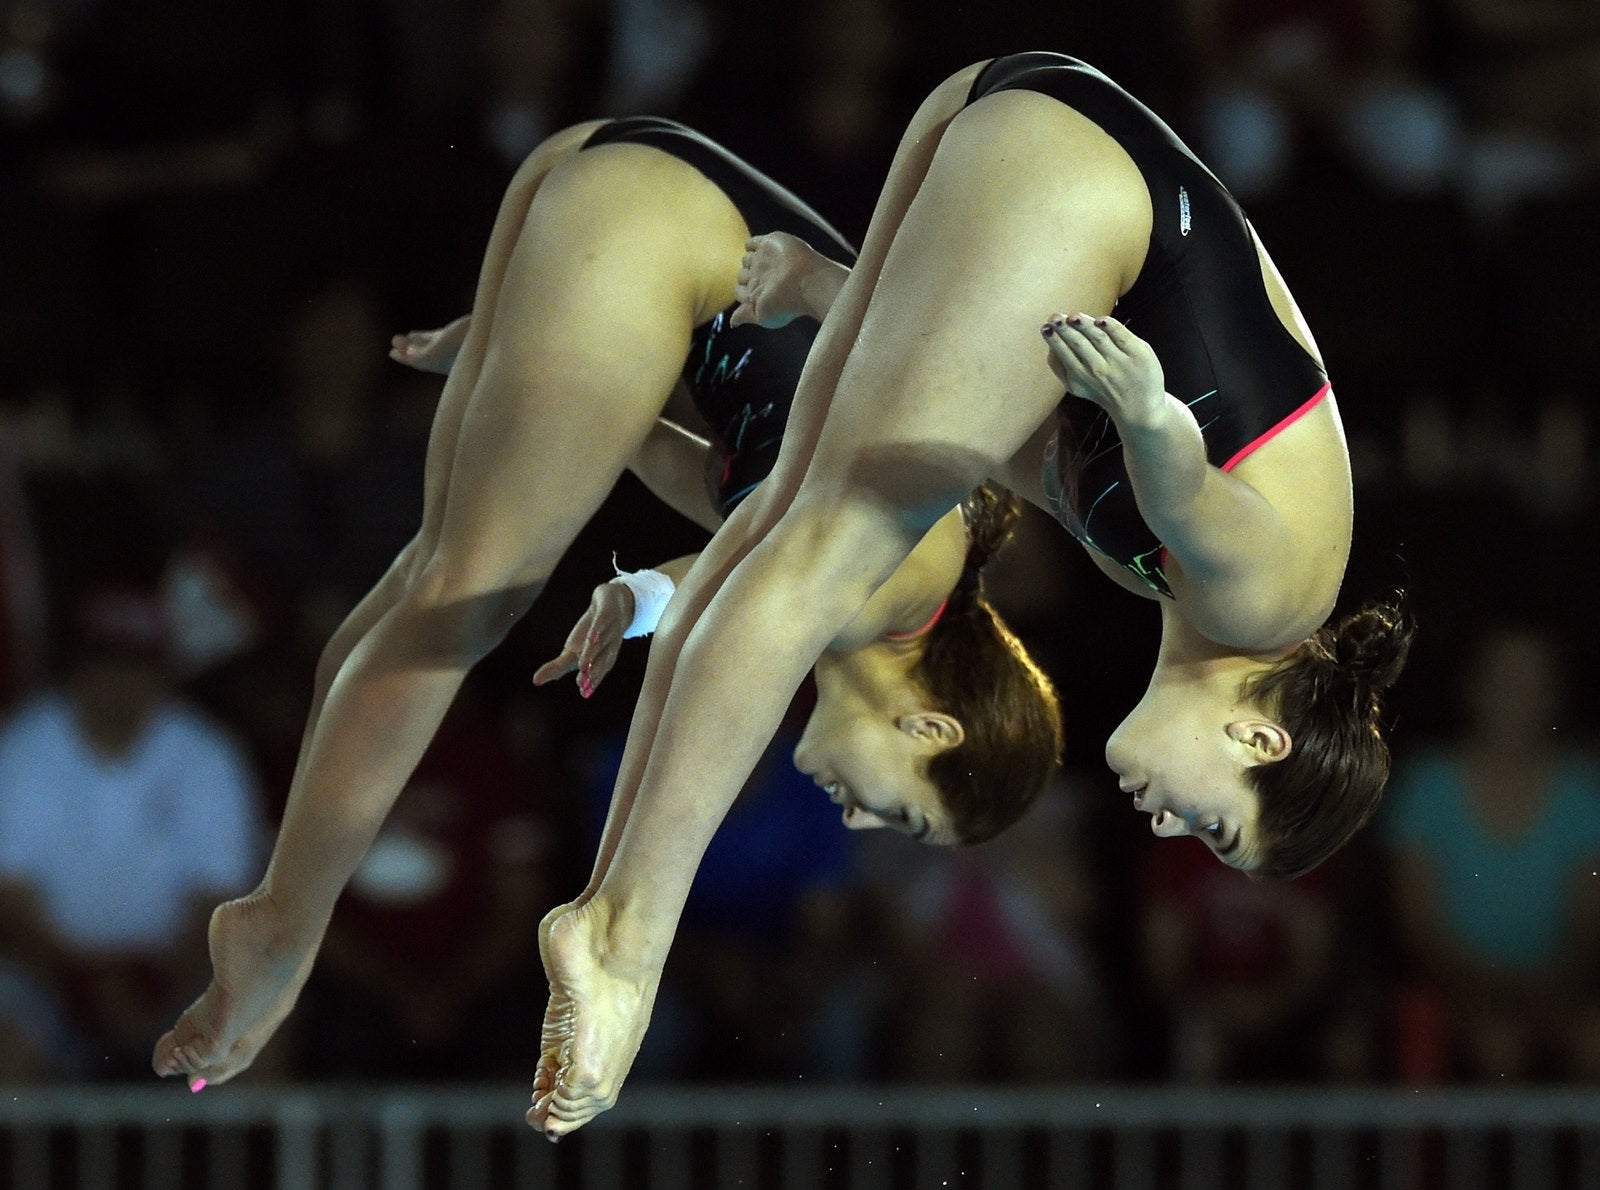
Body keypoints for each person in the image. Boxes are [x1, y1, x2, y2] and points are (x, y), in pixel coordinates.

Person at [529, 51, 1413, 1137]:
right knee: (820, 556)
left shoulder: (1135, 571)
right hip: (1083, 172)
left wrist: (829, 297)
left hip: (1022, 119)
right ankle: (623, 936)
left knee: (774, 530)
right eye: (1217, 828)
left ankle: (614, 908)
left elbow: (998, 419)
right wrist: (1149, 420)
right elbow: (1195, 497)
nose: (1173, 830)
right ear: (1261, 742)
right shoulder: (1266, 607)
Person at [152, 116, 1061, 1093]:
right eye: (905, 816)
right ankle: (284, 926)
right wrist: (643, 600)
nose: (861, 822)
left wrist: (530, 363)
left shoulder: (881, 543)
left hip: (624, 187)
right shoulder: (898, 590)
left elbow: (689, 477)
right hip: (652, 230)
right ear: (928, 723)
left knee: (428, 579)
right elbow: (718, 583)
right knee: (462, 605)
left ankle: (284, 900)